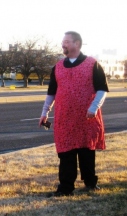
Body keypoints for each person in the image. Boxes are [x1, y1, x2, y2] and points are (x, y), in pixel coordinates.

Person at [39, 31, 109, 197]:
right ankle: (65, 187)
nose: (63, 44)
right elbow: (51, 93)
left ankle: (90, 183)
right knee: (66, 153)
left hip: (86, 118)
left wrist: (94, 107)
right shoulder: (57, 67)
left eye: (67, 42)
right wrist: (44, 112)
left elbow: (102, 89)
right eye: (63, 42)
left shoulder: (92, 64)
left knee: (86, 152)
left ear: (77, 44)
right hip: (64, 119)